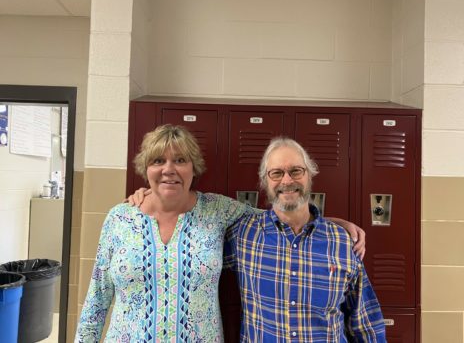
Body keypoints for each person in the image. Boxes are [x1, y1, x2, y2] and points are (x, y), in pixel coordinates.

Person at [76, 124, 365, 342]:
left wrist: (332, 222)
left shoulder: (217, 210)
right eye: (157, 161)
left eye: (179, 160)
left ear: (193, 168)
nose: (169, 169)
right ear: (145, 168)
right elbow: (97, 300)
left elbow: (279, 214)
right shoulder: (120, 218)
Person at [224, 137, 386, 342]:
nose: (287, 181)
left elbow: (365, 324)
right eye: (276, 173)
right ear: (265, 181)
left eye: (296, 171)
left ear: (310, 175)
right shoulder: (243, 235)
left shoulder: (342, 242)